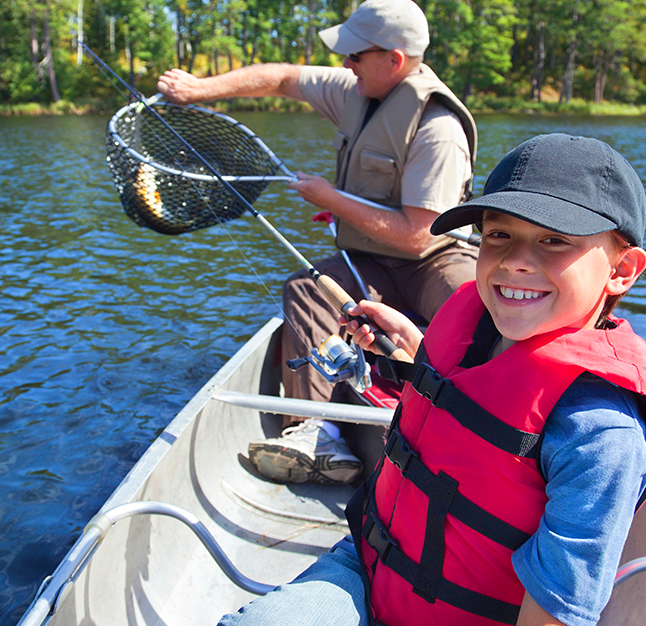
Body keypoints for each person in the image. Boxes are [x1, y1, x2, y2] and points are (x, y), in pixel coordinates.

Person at [215, 133, 646, 626]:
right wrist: (418, 350)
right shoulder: (475, 322)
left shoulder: (603, 436)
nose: (515, 260)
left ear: (622, 270)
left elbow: (555, 616)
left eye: (553, 240)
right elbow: (473, 400)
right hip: (368, 562)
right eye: (498, 235)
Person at [157, 0, 479, 486]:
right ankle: (314, 430)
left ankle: (484, 427)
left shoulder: (439, 130)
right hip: (369, 257)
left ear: (393, 60)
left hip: (435, 257)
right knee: (308, 289)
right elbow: (284, 77)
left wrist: (332, 198)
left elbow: (419, 235)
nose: (345, 64)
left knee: (475, 307)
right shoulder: (355, 89)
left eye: (355, 55)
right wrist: (201, 89)